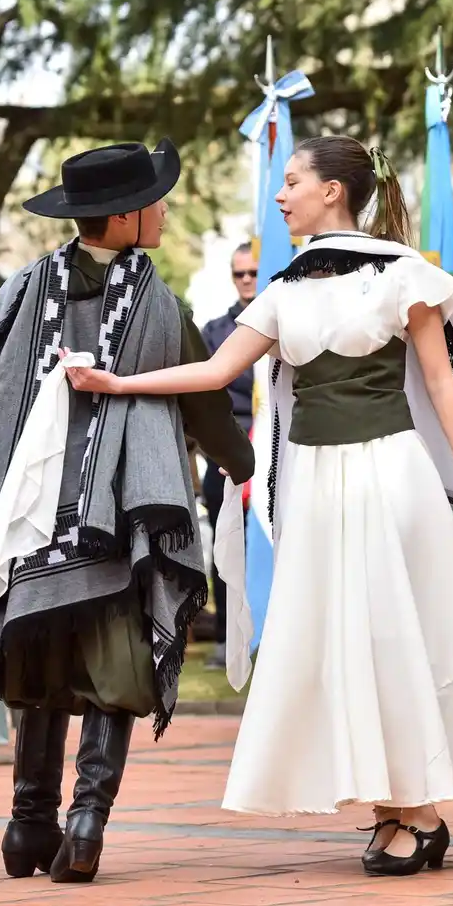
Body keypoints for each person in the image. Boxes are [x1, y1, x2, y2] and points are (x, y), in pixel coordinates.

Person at [63, 134, 453, 876]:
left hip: (390, 474)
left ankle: (419, 809)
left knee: (396, 635)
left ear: (333, 191)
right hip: (316, 480)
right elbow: (216, 371)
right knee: (343, 639)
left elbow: (444, 386)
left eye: (293, 180)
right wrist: (118, 385)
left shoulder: (405, 275)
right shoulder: (285, 287)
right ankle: (392, 808)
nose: (281, 195)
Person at [0, 139, 254, 883]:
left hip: (26, 524)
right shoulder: (158, 304)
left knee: (36, 659)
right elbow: (204, 401)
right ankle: (86, 823)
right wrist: (245, 466)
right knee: (116, 667)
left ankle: (26, 825)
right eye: (157, 201)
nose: (164, 210)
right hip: (113, 522)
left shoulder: (24, 288)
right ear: (129, 216)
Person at [199, 242, 258, 655]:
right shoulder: (216, 332)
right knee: (226, 548)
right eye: (240, 274)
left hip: (276, 447)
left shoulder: (287, 319)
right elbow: (204, 395)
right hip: (228, 451)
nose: (247, 280)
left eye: (254, 271)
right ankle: (225, 639)